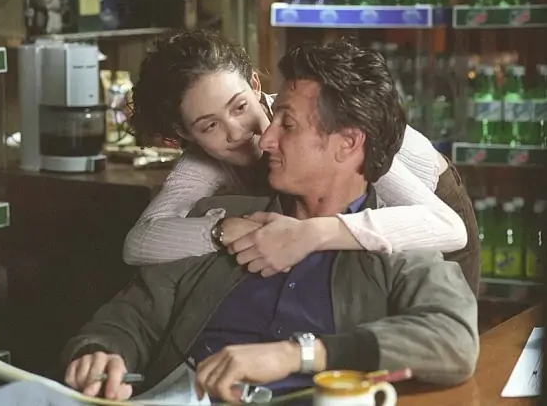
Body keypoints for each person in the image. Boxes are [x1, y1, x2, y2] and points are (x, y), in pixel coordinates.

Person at [62, 39, 478, 403]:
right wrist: (101, 350)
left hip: (430, 207)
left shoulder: (395, 237)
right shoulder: (217, 211)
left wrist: (299, 352)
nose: (260, 137)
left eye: (286, 124)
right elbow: (135, 305)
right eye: (209, 125)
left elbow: (452, 334)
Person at [123, 29, 480, 294]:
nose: (237, 131)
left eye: (240, 106)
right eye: (209, 125)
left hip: (427, 208)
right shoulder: (202, 162)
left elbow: (447, 227)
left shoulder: (323, 126)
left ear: (255, 84)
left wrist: (312, 233)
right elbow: (140, 240)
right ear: (184, 133)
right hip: (349, 223)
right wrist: (221, 231)